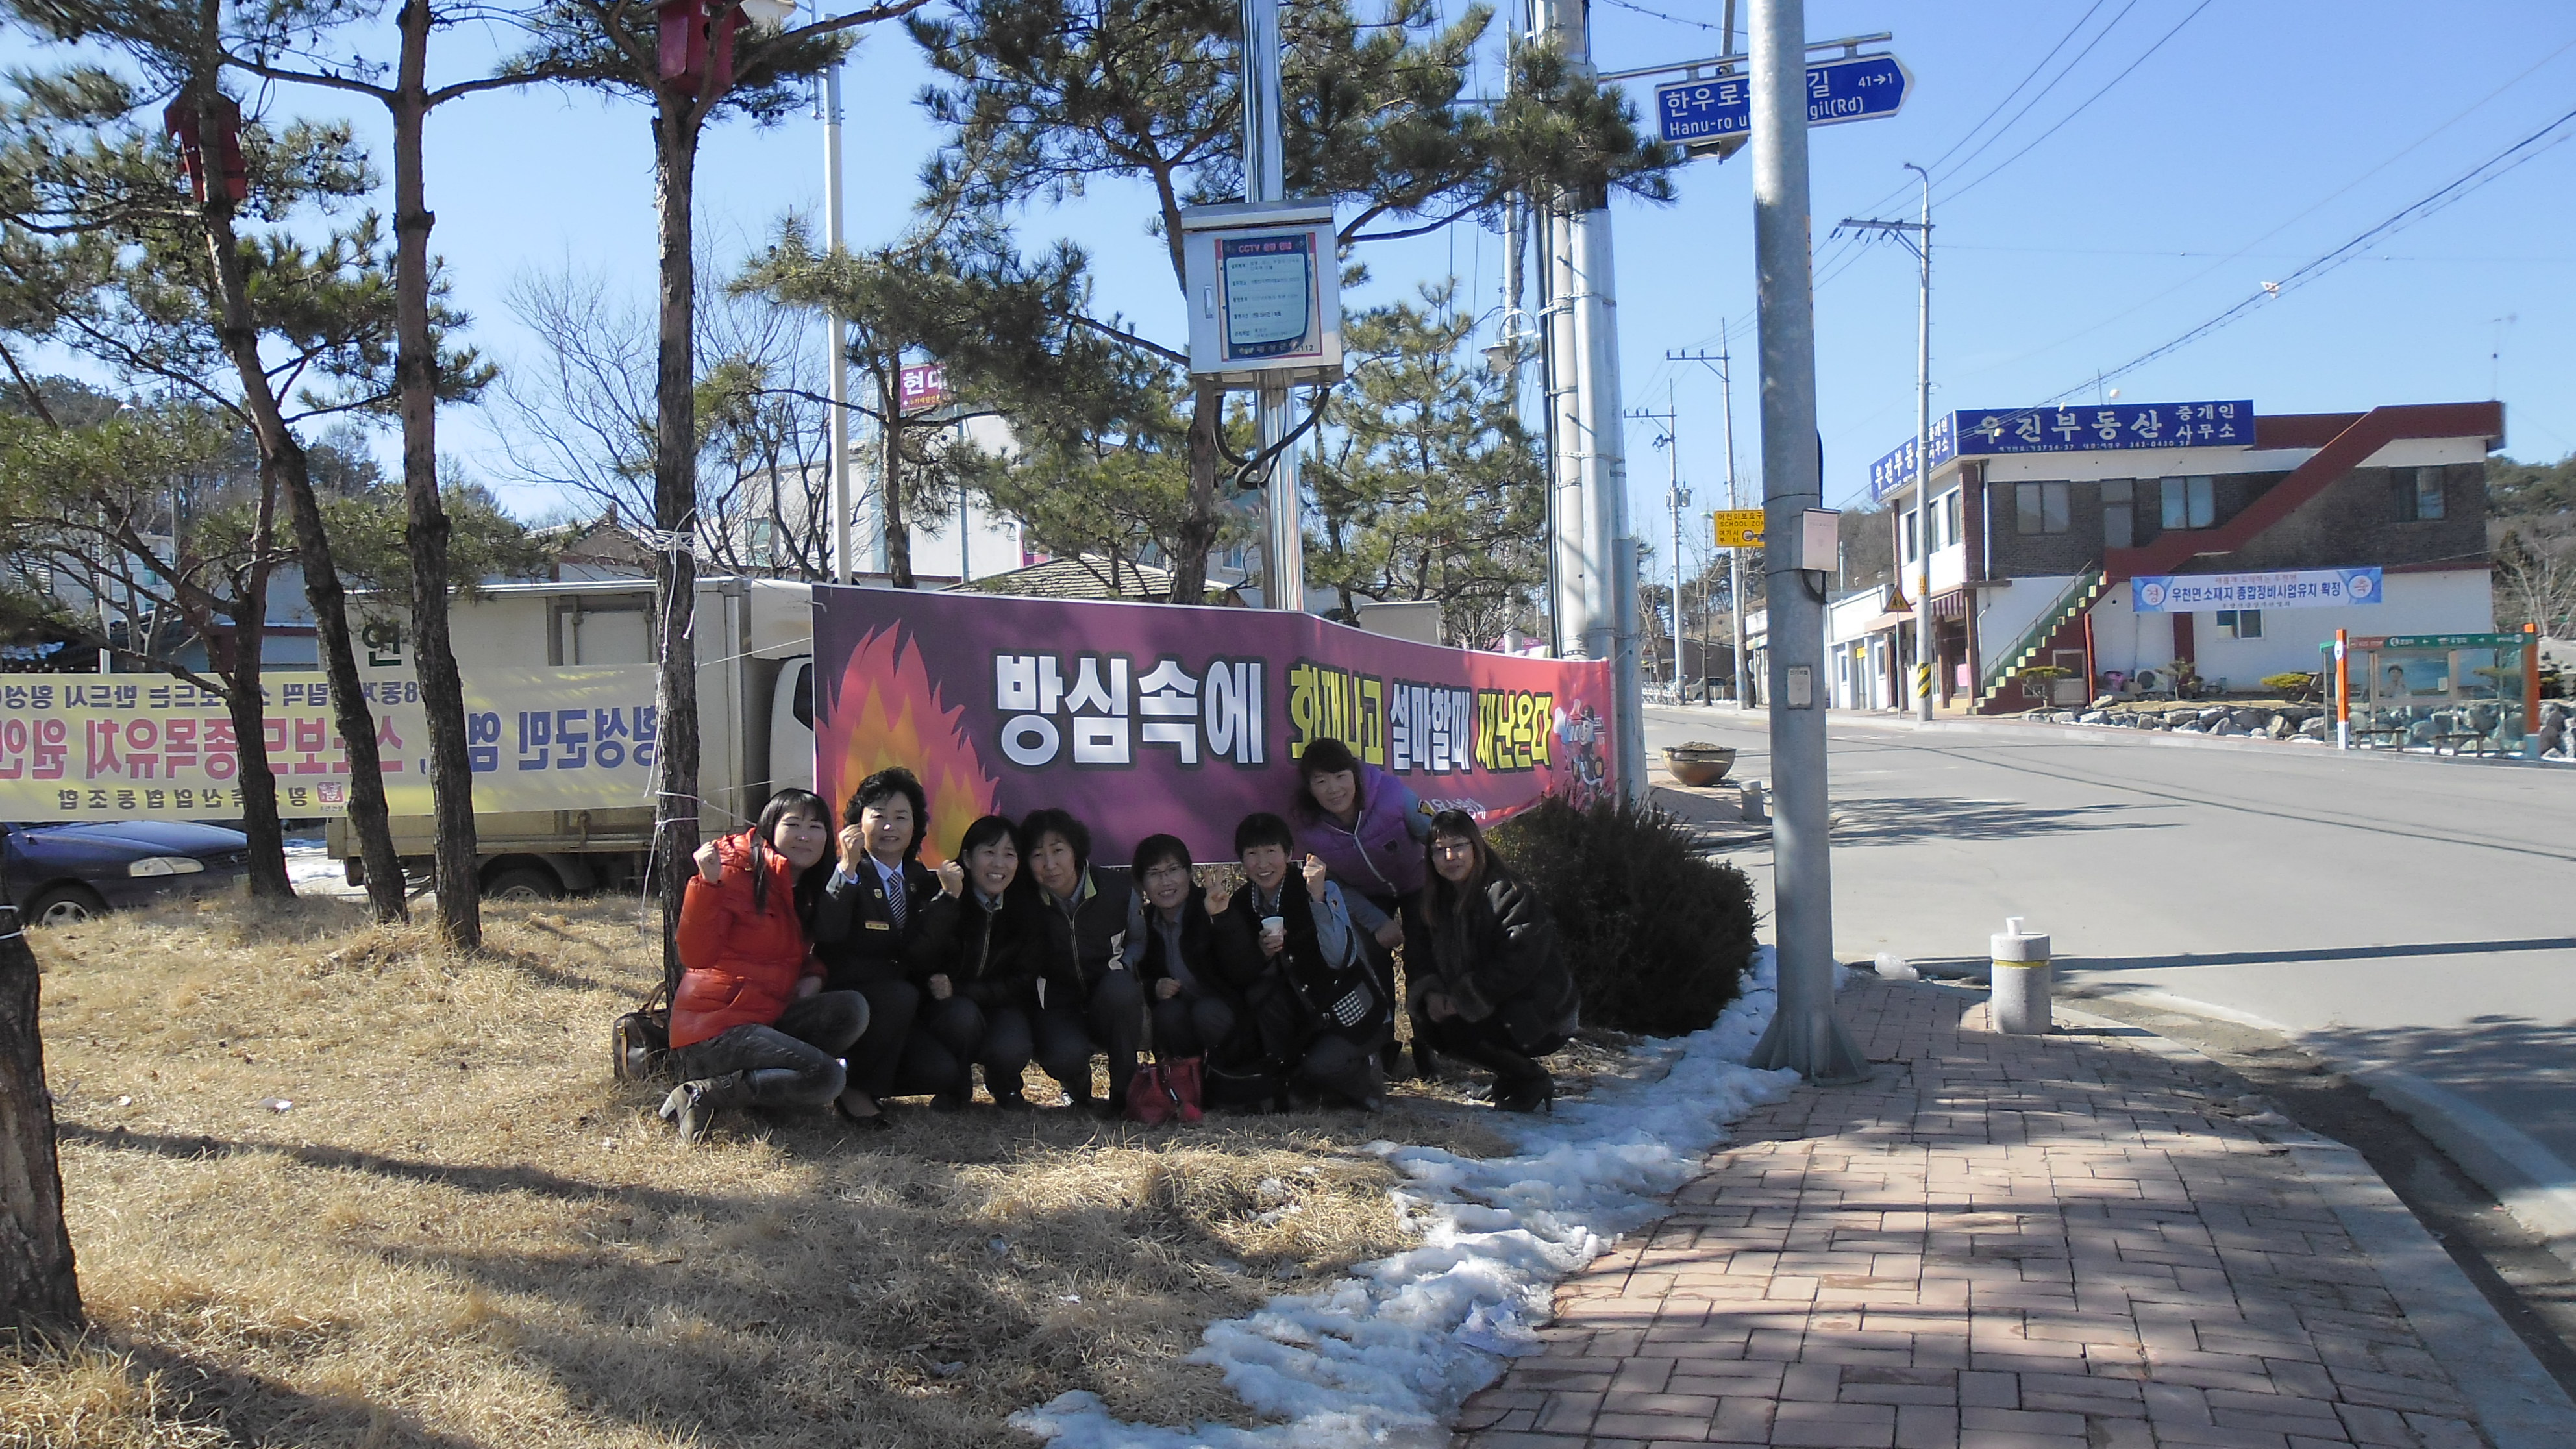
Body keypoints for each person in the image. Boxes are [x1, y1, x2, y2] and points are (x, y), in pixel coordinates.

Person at [661, 789, 873, 1143]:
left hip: (766, 1017)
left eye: (816, 826)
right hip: (716, 1029)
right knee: (827, 1078)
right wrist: (707, 885)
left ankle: (765, 1096)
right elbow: (696, 956)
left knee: (850, 1008)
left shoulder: (802, 885)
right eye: (793, 824)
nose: (805, 836)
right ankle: (703, 1093)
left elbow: (790, 952)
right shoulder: (734, 869)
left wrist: (813, 974)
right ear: (769, 828)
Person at [1214, 812, 1389, 1111]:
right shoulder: (1243, 902)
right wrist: (1262, 952)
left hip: (1351, 1009)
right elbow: (1239, 972)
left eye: (1271, 851)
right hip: (1305, 1012)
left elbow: (1340, 958)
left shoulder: (1316, 887)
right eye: (1252, 854)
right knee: (1261, 999)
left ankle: (1366, 1078)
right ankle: (1301, 1080)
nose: (1263, 863)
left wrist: (1318, 899)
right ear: (1242, 860)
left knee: (1320, 1067)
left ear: (1288, 853)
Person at [1415, 810, 1581, 1114]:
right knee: (1431, 1022)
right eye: (1439, 850)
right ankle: (1511, 1073)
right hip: (1496, 1006)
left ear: (1476, 846)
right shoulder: (1433, 900)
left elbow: (1519, 963)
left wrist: (1462, 1000)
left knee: (1459, 1029)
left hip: (1541, 1010)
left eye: (1458, 846)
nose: (1449, 857)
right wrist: (1432, 994)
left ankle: (1532, 1079)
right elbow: (1420, 954)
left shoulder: (1510, 893)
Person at [1289, 738, 1431, 1076]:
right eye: (1321, 781)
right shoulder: (1308, 828)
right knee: (1369, 955)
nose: (1333, 789)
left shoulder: (1393, 795)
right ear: (1309, 788)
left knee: (1422, 956)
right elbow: (1333, 884)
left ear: (1354, 774)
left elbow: (1436, 835)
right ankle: (1382, 1045)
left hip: (1419, 882)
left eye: (1340, 776)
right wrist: (1377, 922)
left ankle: (1428, 1044)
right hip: (1366, 894)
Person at [807, 768, 939, 1127]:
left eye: (901, 817)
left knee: (940, 1072)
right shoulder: (843, 870)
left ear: (915, 826)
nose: (889, 826)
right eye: (878, 815)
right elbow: (828, 933)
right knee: (899, 995)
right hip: (850, 995)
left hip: (898, 1000)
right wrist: (847, 869)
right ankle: (855, 1088)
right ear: (858, 823)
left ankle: (870, 1080)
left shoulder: (919, 877)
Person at [906, 814, 1041, 1109]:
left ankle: (1006, 1086)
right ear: (967, 858)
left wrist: (961, 989)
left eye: (1009, 855)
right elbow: (919, 956)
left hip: (1000, 1003)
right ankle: (955, 1088)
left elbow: (1023, 980)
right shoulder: (940, 891)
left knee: (1012, 1046)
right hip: (949, 1006)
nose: (999, 864)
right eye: (989, 852)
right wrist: (948, 899)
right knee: (961, 1017)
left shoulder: (1027, 905)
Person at [1021, 807, 1145, 1114]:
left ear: (1075, 850)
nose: (1050, 864)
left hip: (1108, 993)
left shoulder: (1118, 889)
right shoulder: (1023, 900)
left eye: (1058, 851)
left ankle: (1124, 1096)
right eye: (1037, 855)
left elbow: (1138, 939)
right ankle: (1078, 1090)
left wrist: (1124, 965)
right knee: (1063, 1056)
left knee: (1121, 990)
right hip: (1058, 1003)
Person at [1123, 834, 1250, 1063]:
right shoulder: (1145, 922)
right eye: (1154, 874)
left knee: (1206, 1012)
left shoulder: (1212, 905)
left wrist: (1222, 918)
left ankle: (1231, 1075)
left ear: (1189, 873)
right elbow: (1138, 977)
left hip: (1223, 1013)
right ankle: (1185, 1078)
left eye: (1173, 870)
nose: (1165, 882)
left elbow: (1243, 970)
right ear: (1142, 883)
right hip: (1180, 1019)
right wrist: (1154, 988)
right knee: (1167, 1015)